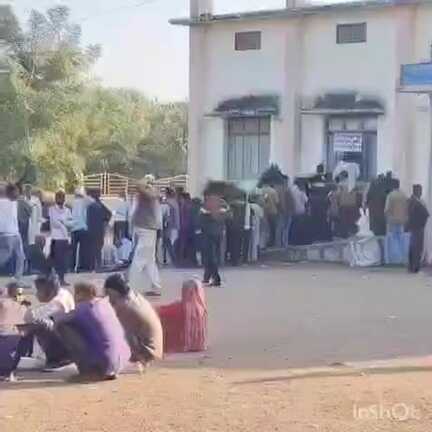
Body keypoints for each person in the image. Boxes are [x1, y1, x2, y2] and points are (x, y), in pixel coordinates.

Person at [54, 282, 131, 381]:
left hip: (104, 363)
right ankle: (104, 369)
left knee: (62, 326)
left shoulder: (84, 307)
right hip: (119, 363)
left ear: (82, 294)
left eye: (76, 293)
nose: (74, 297)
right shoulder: (105, 304)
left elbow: (59, 320)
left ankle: (90, 372)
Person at [104, 274, 163, 368]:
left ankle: (139, 360)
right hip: (156, 349)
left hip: (148, 354)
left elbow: (118, 333)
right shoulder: (135, 297)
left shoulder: (125, 307)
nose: (106, 296)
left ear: (114, 291)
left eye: (107, 292)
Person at [23, 275, 75, 370]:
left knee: (38, 324)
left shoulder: (57, 303)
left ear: (49, 290)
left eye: (39, 290)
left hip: (66, 346)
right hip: (70, 341)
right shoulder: (64, 293)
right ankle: (28, 352)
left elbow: (29, 318)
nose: (36, 294)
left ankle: (58, 360)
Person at [128, 180, 162, 296]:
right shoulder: (146, 194)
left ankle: (132, 287)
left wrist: (145, 185)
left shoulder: (148, 195)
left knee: (143, 259)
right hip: (146, 228)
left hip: (147, 229)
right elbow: (141, 188)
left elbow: (147, 191)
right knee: (145, 259)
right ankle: (153, 286)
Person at [157, 279, 208, 353]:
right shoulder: (202, 309)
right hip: (199, 345)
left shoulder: (180, 307)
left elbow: (162, 312)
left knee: (161, 317)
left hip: (180, 343)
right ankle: (195, 343)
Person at [0, 283, 28, 381]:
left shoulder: (4, 302)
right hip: (12, 338)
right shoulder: (22, 306)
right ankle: (8, 373)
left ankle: (7, 373)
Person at [0, 183, 26, 286]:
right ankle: (17, 279)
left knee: (21, 256)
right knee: (5, 255)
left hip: (15, 232)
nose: (18, 194)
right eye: (16, 192)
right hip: (7, 233)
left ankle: (17, 279)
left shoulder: (14, 202)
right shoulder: (5, 202)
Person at [201, 194, 227, 287]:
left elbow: (201, 219)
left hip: (209, 233)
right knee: (213, 256)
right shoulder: (223, 204)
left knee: (210, 257)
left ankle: (216, 279)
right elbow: (227, 216)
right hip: (219, 233)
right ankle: (207, 277)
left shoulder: (206, 205)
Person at [49, 190, 73, 286]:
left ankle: (62, 279)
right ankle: (53, 280)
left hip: (65, 238)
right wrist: (63, 223)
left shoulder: (67, 210)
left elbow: (70, 223)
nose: (61, 199)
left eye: (62, 197)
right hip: (56, 238)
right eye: (59, 197)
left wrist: (63, 223)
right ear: (55, 199)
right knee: (56, 260)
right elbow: (54, 223)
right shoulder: (52, 209)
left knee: (64, 260)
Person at [87, 189, 112, 272]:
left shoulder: (89, 206)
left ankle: (92, 266)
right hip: (100, 229)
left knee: (92, 248)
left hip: (91, 229)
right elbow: (109, 214)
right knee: (98, 248)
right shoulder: (100, 205)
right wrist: (105, 221)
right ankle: (98, 266)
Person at [384, 179, 409, 264]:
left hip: (392, 221)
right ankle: (403, 259)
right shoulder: (403, 195)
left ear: (392, 185)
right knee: (401, 240)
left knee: (393, 240)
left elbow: (387, 209)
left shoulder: (390, 195)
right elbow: (407, 209)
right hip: (402, 221)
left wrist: (387, 219)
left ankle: (395, 259)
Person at [407, 185, 429, 273]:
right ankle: (414, 266)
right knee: (417, 247)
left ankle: (412, 266)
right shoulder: (416, 202)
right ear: (417, 191)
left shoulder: (411, 201)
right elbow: (425, 214)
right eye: (420, 191)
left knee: (413, 247)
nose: (421, 193)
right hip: (417, 227)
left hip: (414, 227)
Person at [70, 187, 90, 272]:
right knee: (83, 250)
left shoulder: (72, 203)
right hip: (83, 228)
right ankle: (81, 267)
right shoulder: (85, 203)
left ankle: (71, 267)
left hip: (74, 228)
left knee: (73, 250)